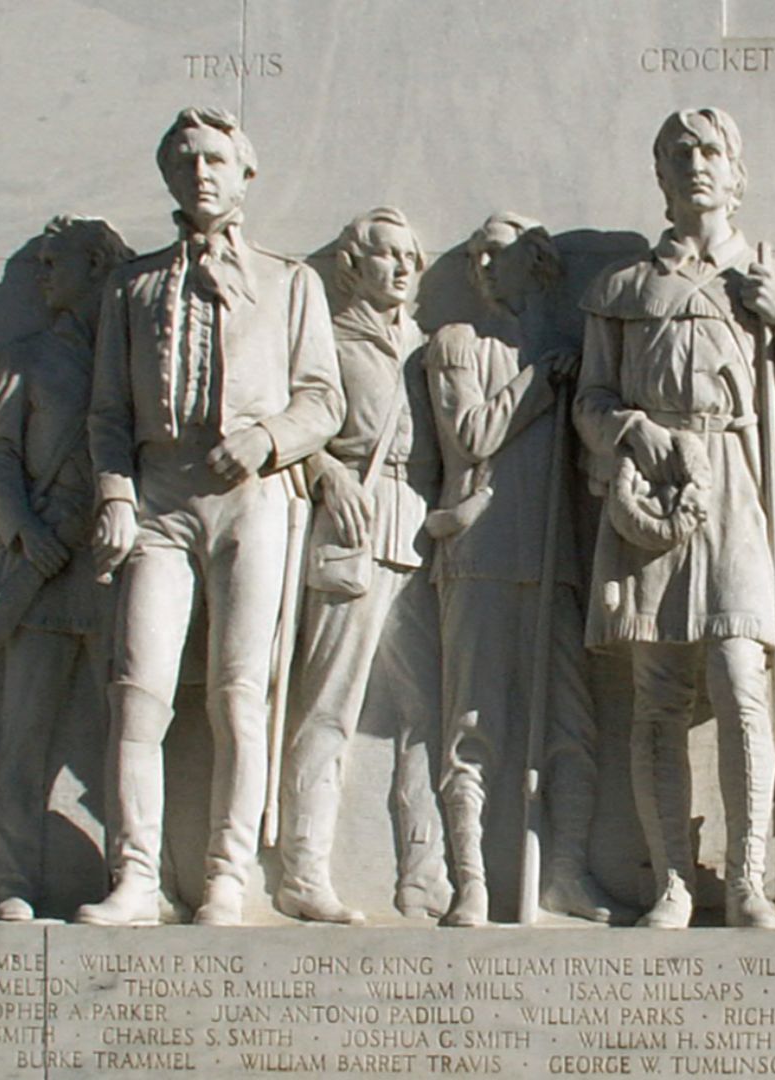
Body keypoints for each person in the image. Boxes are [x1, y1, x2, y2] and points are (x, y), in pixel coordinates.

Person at [78, 107, 342, 927]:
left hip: (250, 498)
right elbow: (107, 412)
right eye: (187, 160)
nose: (202, 172)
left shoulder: (291, 281)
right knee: (140, 692)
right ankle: (134, 877)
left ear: (244, 173)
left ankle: (227, 877)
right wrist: (116, 494)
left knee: (239, 693)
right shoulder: (133, 286)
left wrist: (267, 440)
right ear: (168, 175)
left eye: (217, 159)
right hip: (159, 500)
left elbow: (322, 398)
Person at [575, 107, 775, 928]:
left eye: (711, 150)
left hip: (738, 479)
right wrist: (631, 429)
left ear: (737, 171)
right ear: (660, 175)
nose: (696, 163)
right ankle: (675, 883)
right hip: (651, 485)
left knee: (740, 678)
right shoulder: (623, 288)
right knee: (658, 692)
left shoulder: (768, 278)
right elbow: (590, 399)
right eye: (678, 152)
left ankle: (750, 877)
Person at [426, 212, 628, 926]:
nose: (483, 268)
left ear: (536, 263)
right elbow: (473, 434)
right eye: (475, 255)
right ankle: (471, 881)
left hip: (558, 562)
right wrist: (541, 379)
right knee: (473, 723)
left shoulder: (570, 356)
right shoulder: (457, 344)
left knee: (571, 725)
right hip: (481, 557)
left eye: (498, 255)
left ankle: (566, 872)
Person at [275, 207, 445, 924]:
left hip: (421, 533)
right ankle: (302, 866)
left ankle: (424, 872)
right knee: (328, 705)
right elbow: (283, 418)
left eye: (411, 256)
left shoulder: (432, 345)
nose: (402, 268)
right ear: (354, 264)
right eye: (387, 255)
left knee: (429, 712)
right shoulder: (328, 339)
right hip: (352, 529)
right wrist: (320, 469)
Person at [0, 214, 135, 921]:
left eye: (54, 263)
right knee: (24, 741)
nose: (43, 277)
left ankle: (134, 877)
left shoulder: (137, 361)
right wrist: (23, 532)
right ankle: (12, 880)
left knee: (127, 739)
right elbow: (0, 458)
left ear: (97, 265)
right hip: (41, 572)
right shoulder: (25, 357)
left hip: (113, 571)